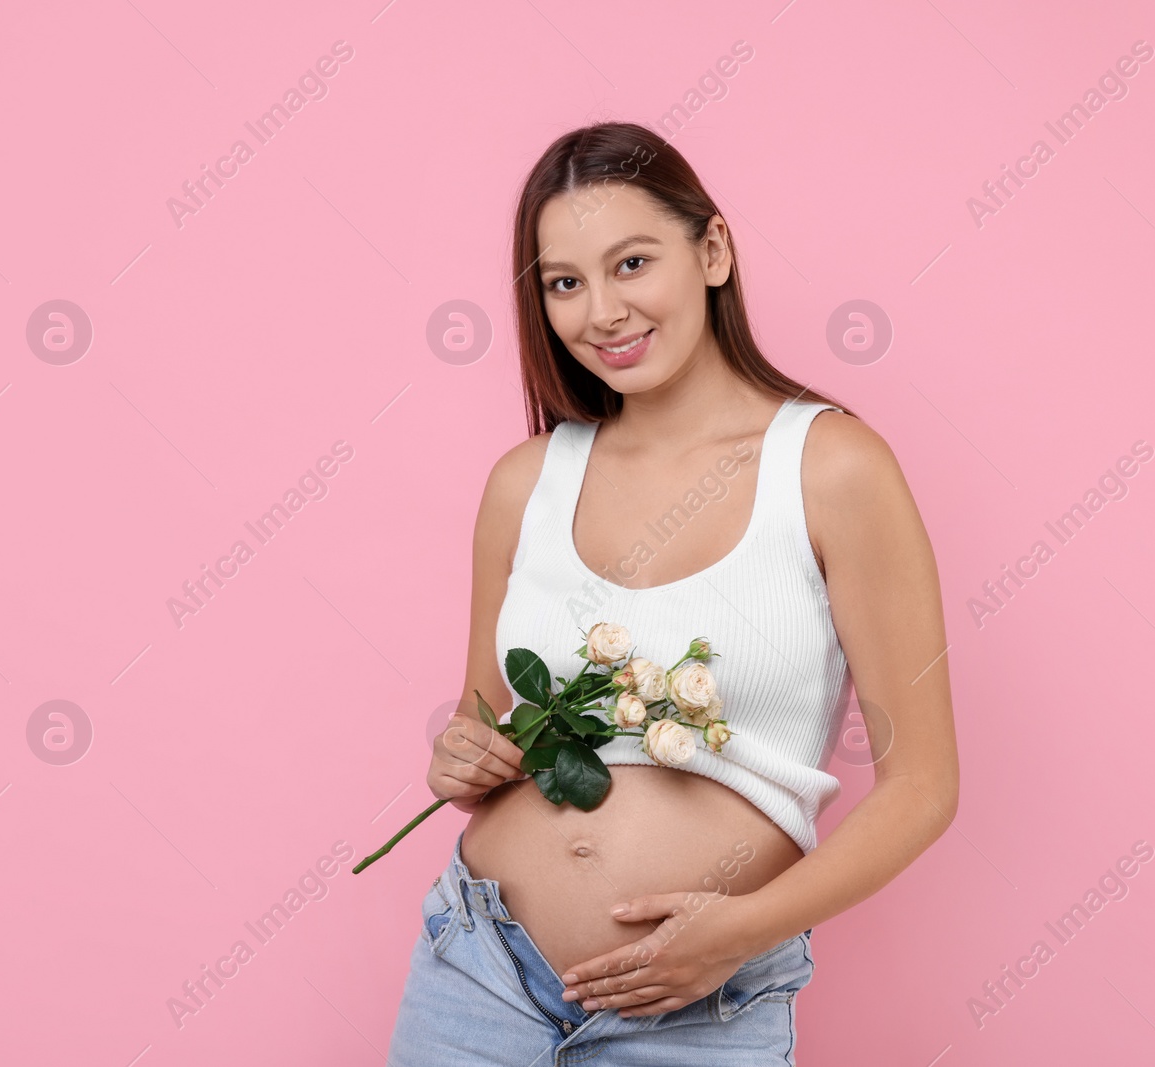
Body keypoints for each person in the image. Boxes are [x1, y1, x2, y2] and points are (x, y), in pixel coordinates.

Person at [387, 121, 958, 1065]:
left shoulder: (832, 468)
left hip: (701, 1010)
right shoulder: (524, 482)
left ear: (713, 250)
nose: (602, 311)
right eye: (565, 282)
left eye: (633, 263)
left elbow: (923, 787)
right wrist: (461, 753)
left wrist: (739, 931)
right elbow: (482, 713)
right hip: (477, 971)